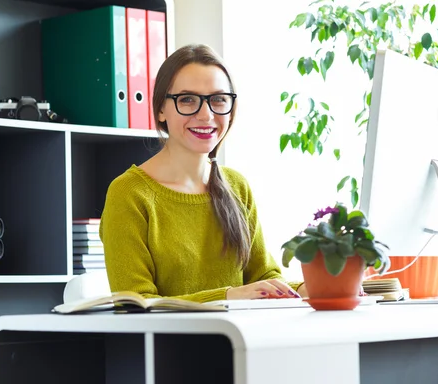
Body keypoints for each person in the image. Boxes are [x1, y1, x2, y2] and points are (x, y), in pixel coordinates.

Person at [99, 43, 307, 302]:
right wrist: (228, 297)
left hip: (241, 339)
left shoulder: (236, 185)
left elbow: (263, 276)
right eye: (187, 100)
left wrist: (306, 290)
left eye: (218, 99)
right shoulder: (129, 194)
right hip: (169, 343)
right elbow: (136, 302)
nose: (206, 114)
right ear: (161, 109)